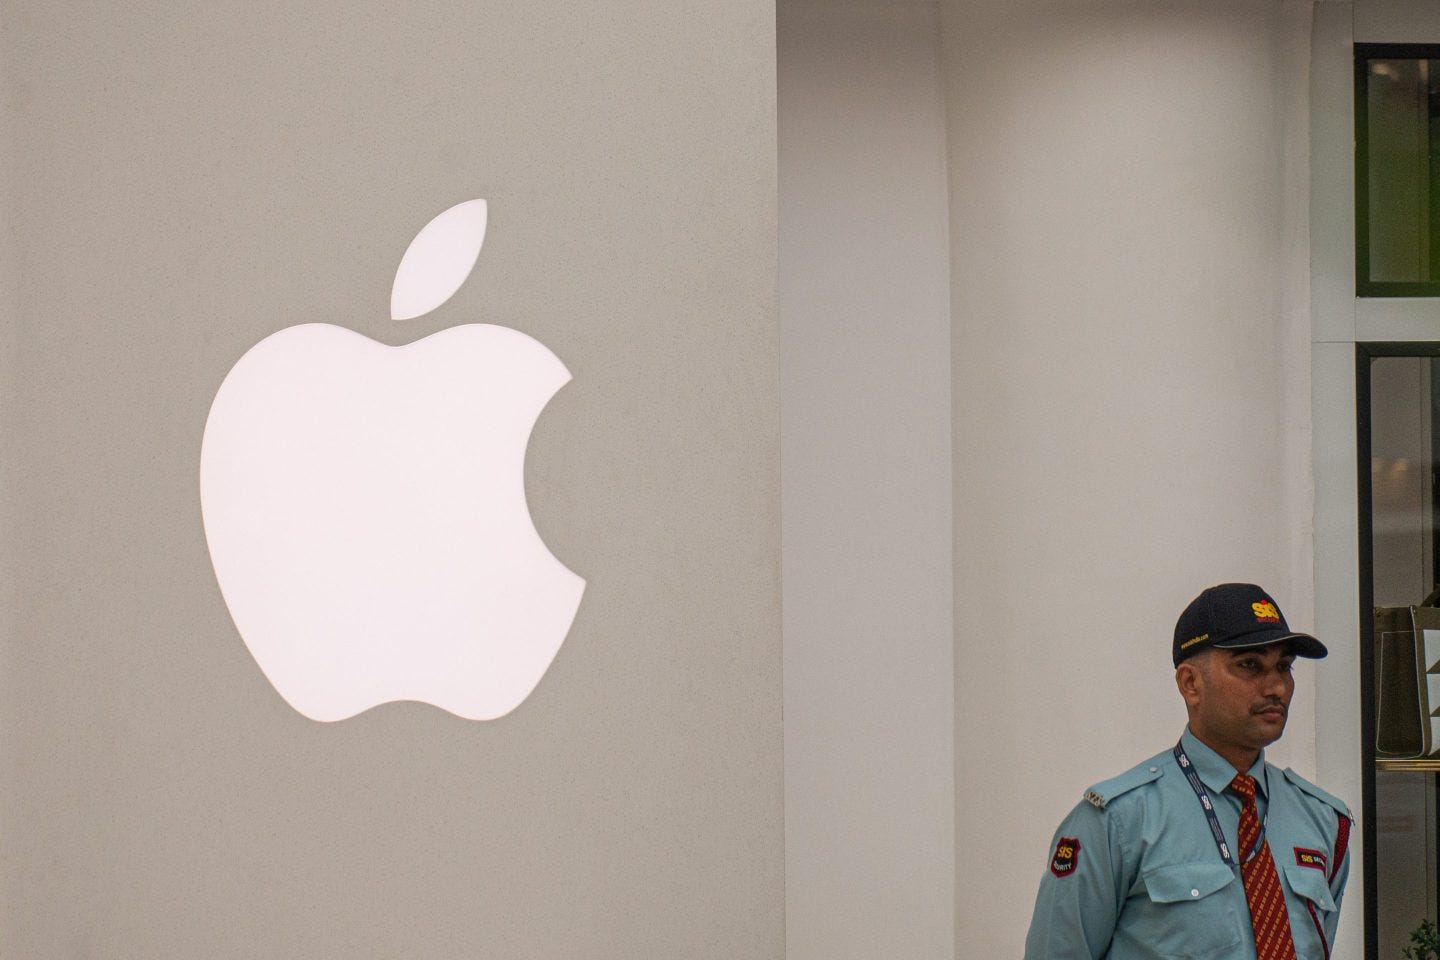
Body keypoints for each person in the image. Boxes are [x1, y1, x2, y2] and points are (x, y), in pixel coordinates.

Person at [1023, 583, 1351, 960]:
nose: (1276, 686)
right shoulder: (1119, 821)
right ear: (1191, 683)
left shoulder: (1322, 819)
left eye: (1283, 667)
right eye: (1249, 665)